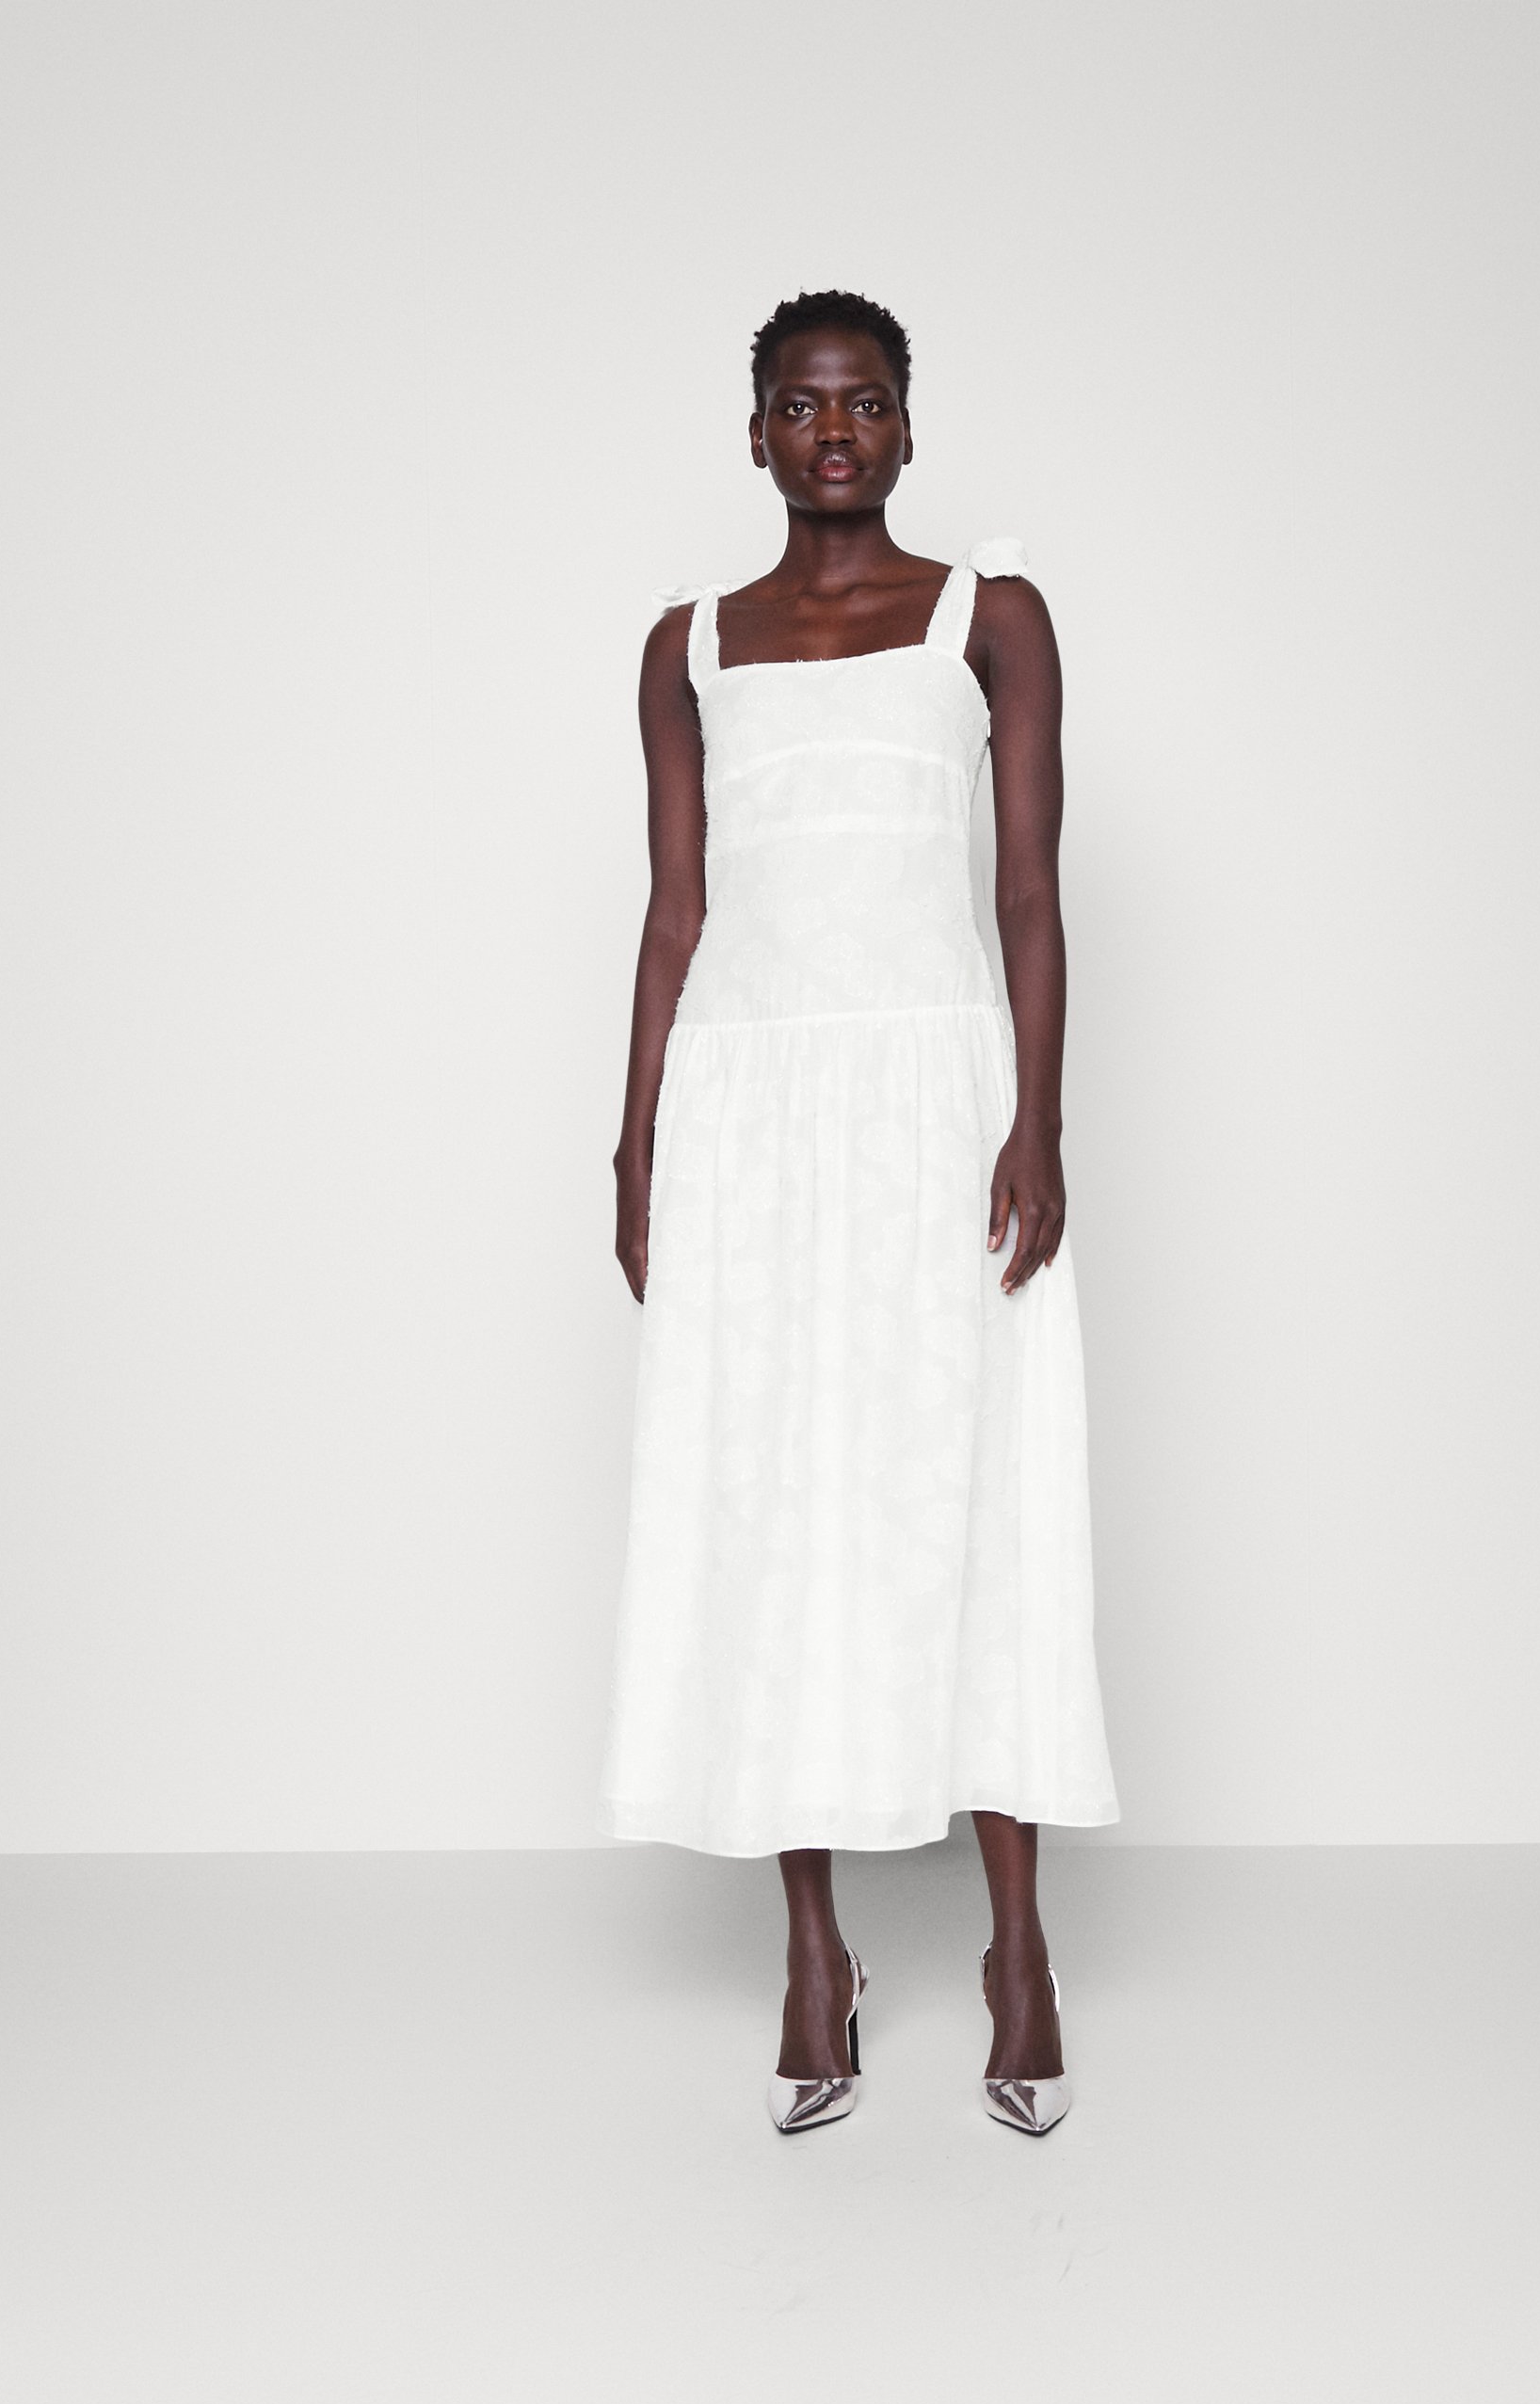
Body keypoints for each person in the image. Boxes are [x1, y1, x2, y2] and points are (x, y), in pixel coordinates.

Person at [600, 290, 1118, 2134]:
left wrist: (1035, 1120)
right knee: (773, 1496)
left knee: (974, 1487)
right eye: (803, 405)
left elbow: (1030, 896)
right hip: (749, 1110)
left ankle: (1015, 1945)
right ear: (754, 434)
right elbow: (676, 914)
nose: (836, 430)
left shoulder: (991, 617)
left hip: (934, 1105)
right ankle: (813, 1954)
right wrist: (636, 1141)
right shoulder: (688, 646)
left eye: (867, 401)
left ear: (908, 427)